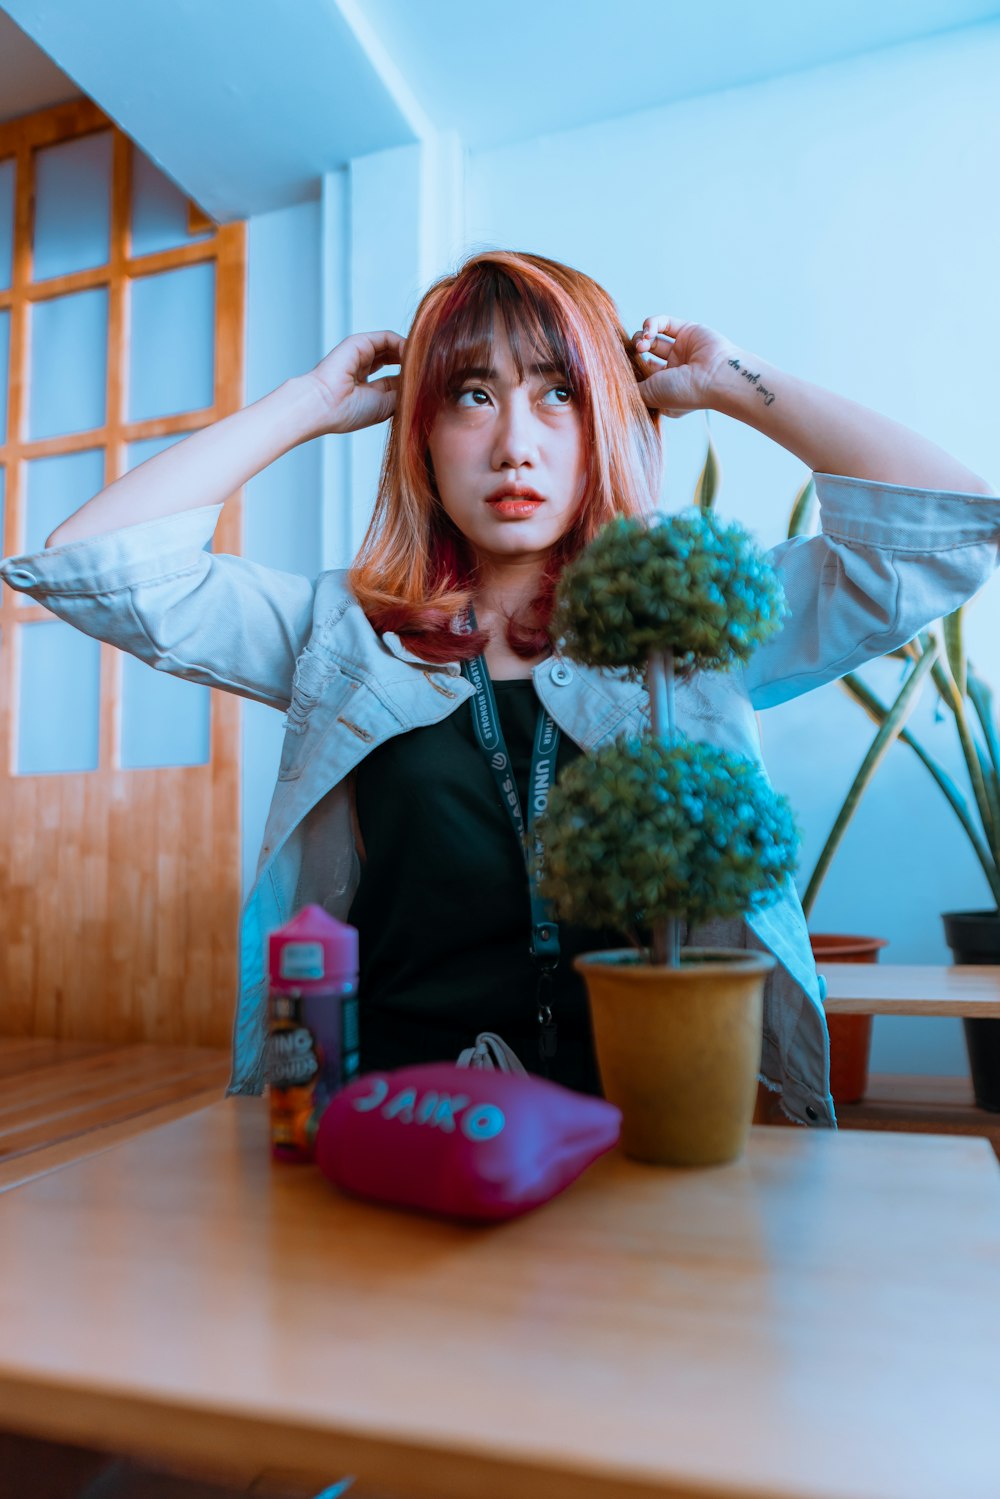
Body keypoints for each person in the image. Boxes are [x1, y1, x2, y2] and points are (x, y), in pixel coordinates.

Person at [3, 249, 997, 1129]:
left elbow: (946, 526)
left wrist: (732, 379)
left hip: (644, 1128)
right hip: (401, 1123)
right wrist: (310, 400)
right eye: (471, 395)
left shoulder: (688, 621)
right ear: (421, 436)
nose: (514, 442)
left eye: (559, 391)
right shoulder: (341, 635)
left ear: (608, 416)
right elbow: (95, 562)